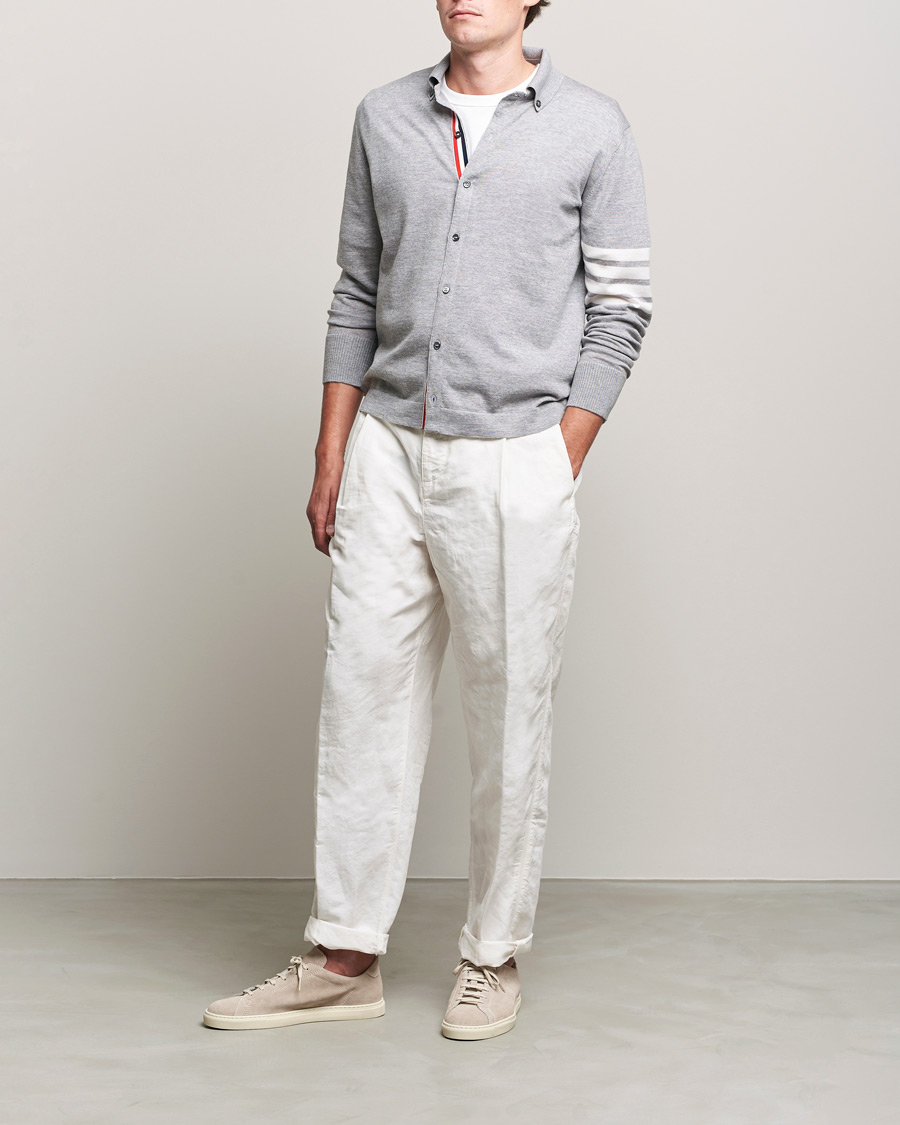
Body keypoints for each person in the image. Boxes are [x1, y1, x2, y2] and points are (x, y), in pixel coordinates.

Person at [203, 0, 652, 1041]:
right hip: (385, 452)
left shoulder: (594, 127)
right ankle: (344, 956)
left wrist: (560, 451)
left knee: (509, 714)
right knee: (362, 701)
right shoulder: (383, 116)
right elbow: (356, 289)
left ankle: (491, 957)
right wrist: (332, 450)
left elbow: (622, 305)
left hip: (517, 455)